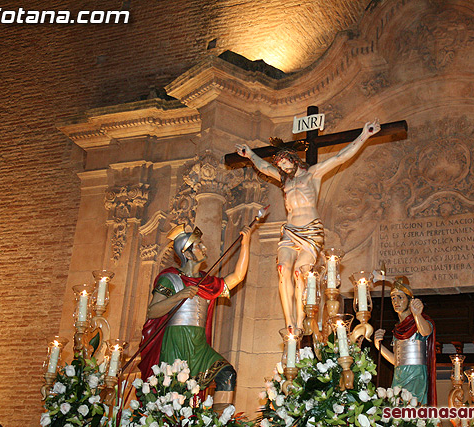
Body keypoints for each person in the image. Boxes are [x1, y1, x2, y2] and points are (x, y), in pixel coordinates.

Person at [236, 119, 381, 329]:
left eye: (286, 163)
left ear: (294, 160)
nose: (283, 168)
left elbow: (340, 157)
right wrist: (250, 154)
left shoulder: (313, 174)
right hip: (290, 230)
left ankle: (302, 318)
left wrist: (364, 135)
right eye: (280, 165)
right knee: (282, 269)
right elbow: (264, 167)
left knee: (300, 271)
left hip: (311, 231)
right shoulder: (284, 179)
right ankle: (290, 323)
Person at [138, 223, 252, 411]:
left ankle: (218, 422)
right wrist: (179, 295)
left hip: (198, 344)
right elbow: (153, 311)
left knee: (227, 374)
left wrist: (246, 244)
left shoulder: (206, 283)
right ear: (187, 254)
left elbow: (237, 277)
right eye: (199, 245)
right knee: (177, 394)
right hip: (176, 341)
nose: (204, 248)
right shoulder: (171, 278)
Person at [374, 277, 437, 406]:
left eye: (400, 297)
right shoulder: (397, 329)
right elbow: (397, 361)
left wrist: (417, 315)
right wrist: (378, 345)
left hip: (416, 376)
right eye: (393, 298)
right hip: (398, 377)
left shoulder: (420, 322)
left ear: (409, 300)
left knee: (413, 412)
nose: (396, 301)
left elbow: (426, 332)